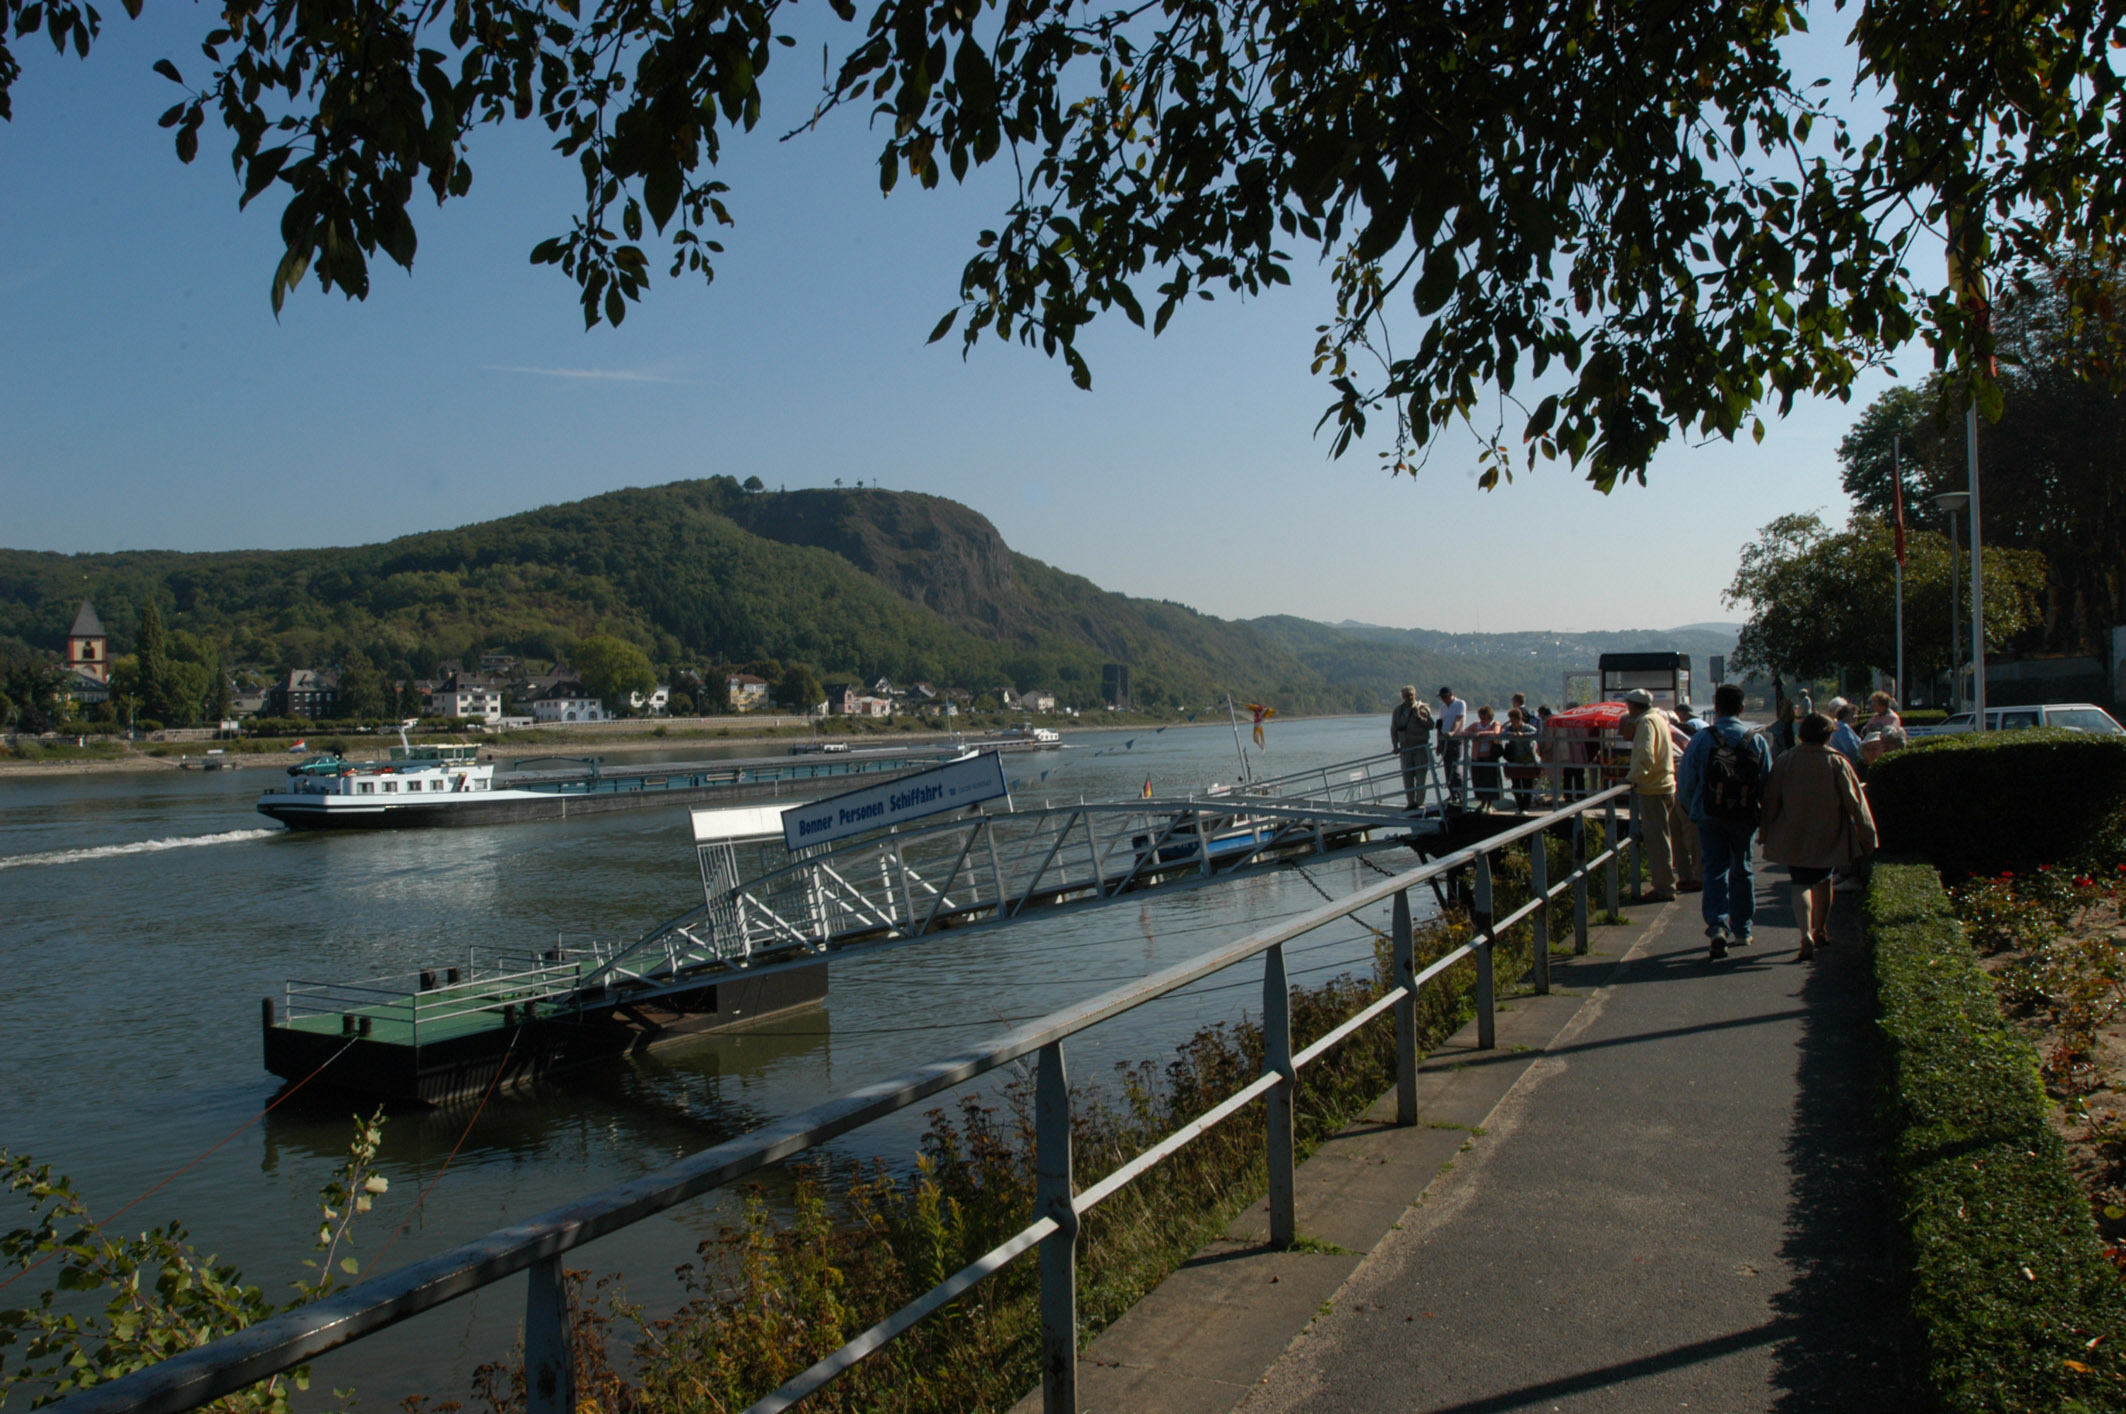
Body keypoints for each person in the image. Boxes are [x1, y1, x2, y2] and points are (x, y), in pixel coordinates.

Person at [1761, 712, 1878, 959]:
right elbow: (1855, 803)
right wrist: (1867, 835)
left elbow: (1771, 799)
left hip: (1793, 831)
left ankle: (1805, 933)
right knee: (1824, 880)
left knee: (1800, 883)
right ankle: (1821, 929)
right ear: (1827, 735)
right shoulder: (1836, 761)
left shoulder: (1785, 759)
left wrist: (1765, 830)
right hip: (1829, 832)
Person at [1678, 682, 1774, 958]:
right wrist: (1764, 818)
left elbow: (1686, 782)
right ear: (1742, 708)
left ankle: (1717, 925)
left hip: (1709, 814)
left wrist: (1694, 810)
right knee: (1742, 869)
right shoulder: (1755, 740)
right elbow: (1767, 782)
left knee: (1713, 869)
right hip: (1744, 815)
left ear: (1715, 706)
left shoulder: (1701, 739)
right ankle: (1742, 929)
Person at [1621, 688, 1677, 900]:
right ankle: (1665, 883)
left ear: (1633, 706)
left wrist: (1631, 778)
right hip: (1665, 784)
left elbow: (1645, 756)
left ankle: (1664, 887)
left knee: (1657, 841)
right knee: (1663, 838)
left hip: (1653, 788)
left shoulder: (1646, 723)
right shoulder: (1658, 718)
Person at [1389, 685, 1435, 810]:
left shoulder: (1423, 708)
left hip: (1420, 746)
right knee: (1407, 777)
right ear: (1402, 697)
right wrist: (1395, 745)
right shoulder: (1398, 711)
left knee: (1421, 776)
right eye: (1406, 695)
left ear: (1415, 695)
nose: (1409, 697)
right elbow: (1393, 729)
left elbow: (1431, 725)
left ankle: (1419, 802)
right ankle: (1410, 803)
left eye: (1411, 695)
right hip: (1405, 748)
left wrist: (1419, 717)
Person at [1461, 703, 1505, 802]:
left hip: (1490, 757)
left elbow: (1496, 732)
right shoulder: (1476, 724)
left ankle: (1490, 803)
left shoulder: (1495, 723)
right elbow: (1463, 732)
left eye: (1484, 718)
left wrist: (1481, 734)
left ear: (1489, 717)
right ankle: (1482, 801)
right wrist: (1472, 734)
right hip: (1477, 757)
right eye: (1480, 717)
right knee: (1478, 781)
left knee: (1491, 781)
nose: (1482, 720)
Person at [1501, 706, 1542, 811]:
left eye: (1514, 720)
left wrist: (1523, 735)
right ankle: (1520, 807)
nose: (1512, 723)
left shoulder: (1527, 727)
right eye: (1511, 720)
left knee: (1527, 785)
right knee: (1516, 786)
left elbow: (1538, 733)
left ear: (1519, 719)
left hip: (1528, 759)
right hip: (1514, 759)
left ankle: (1525, 808)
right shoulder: (1510, 728)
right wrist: (1510, 734)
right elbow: (1501, 734)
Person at [1436, 687, 1468, 801]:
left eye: (1445, 696)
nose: (1444, 699)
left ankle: (1460, 794)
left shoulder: (1460, 703)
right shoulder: (1443, 708)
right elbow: (1439, 725)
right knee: (1447, 768)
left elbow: (1458, 719)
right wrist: (1439, 743)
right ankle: (1452, 794)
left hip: (1455, 740)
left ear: (1451, 694)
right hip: (1444, 740)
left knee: (1455, 767)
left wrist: (1452, 732)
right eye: (1442, 697)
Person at [1827, 699, 1863, 768]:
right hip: (1848, 765)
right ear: (1846, 715)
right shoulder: (1843, 727)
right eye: (1854, 714)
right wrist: (1862, 761)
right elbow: (1851, 749)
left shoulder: (1839, 725)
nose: (1856, 716)